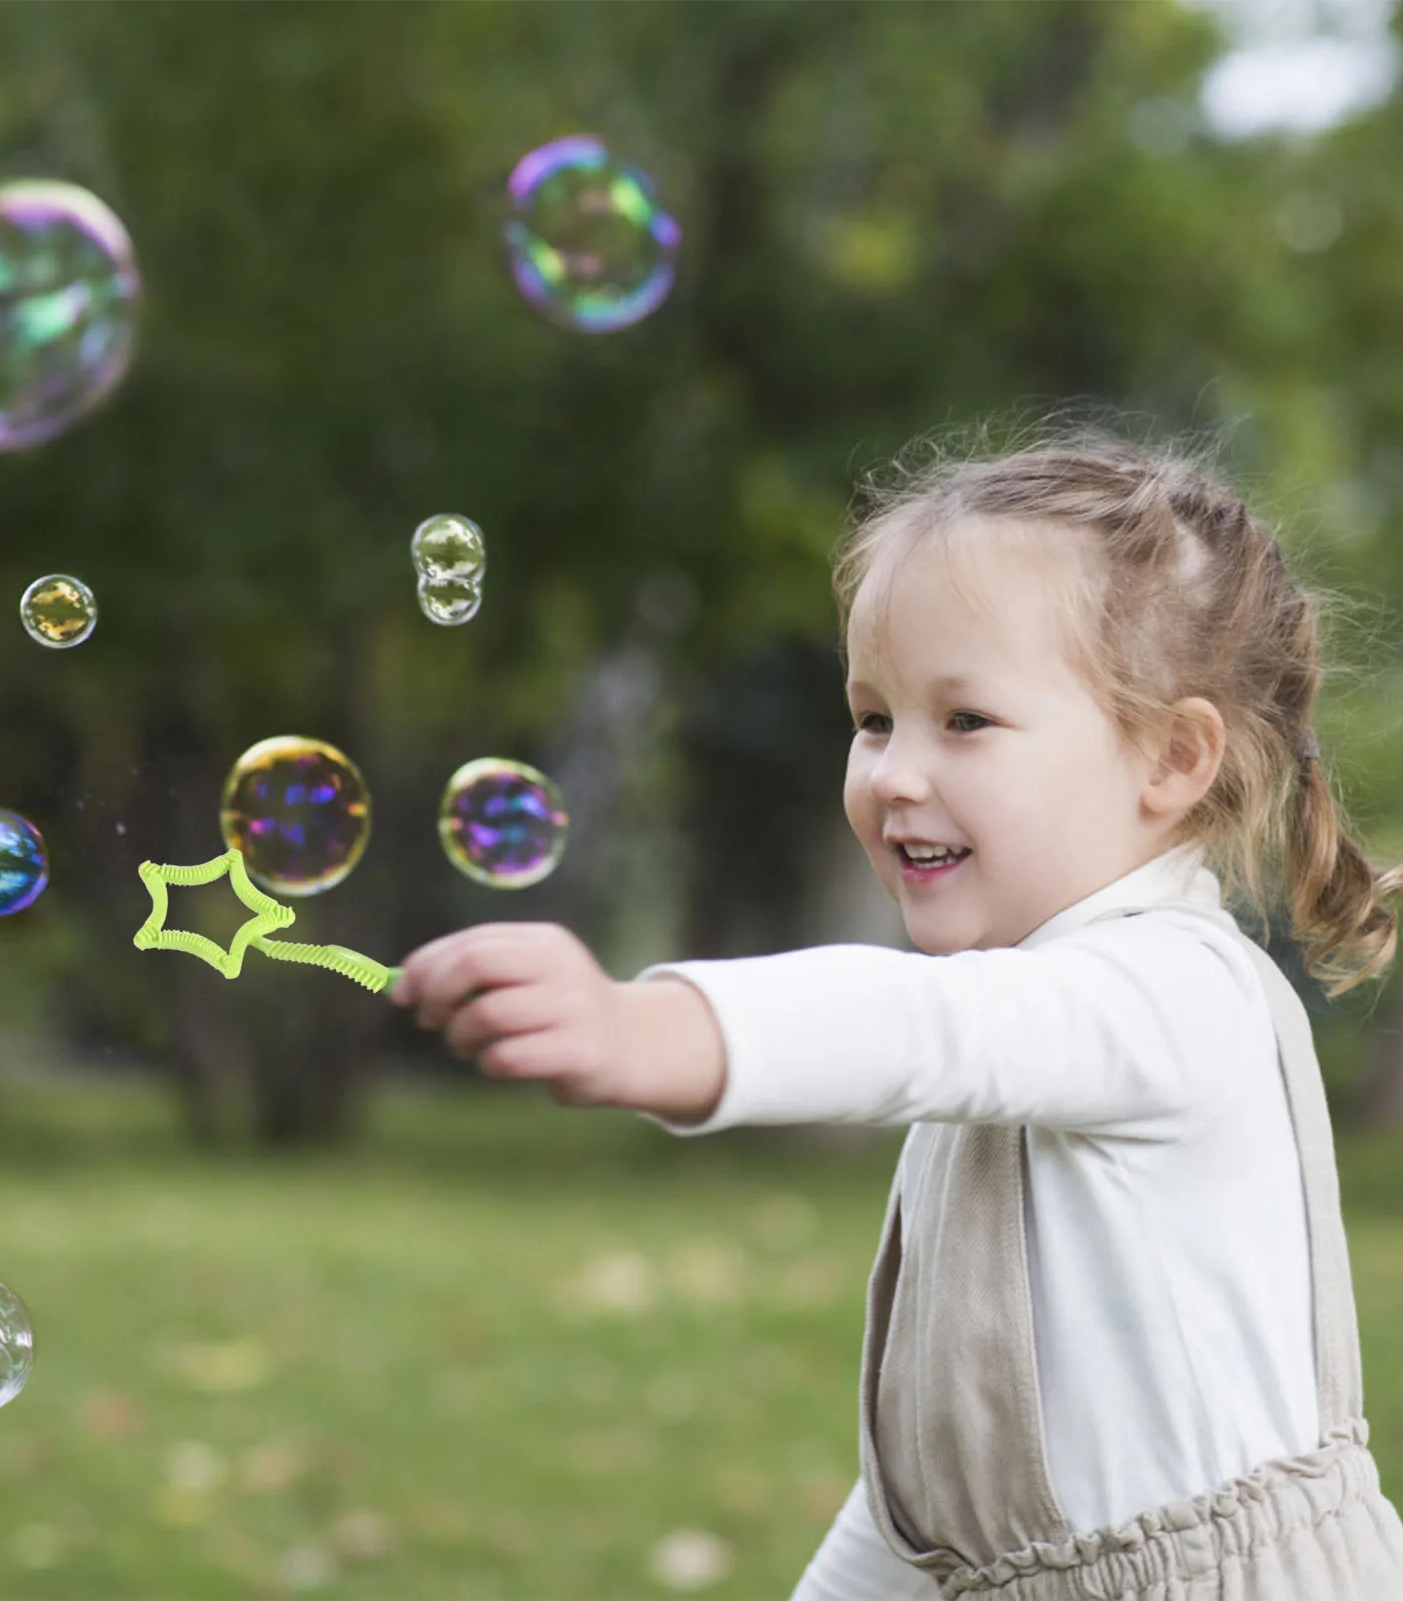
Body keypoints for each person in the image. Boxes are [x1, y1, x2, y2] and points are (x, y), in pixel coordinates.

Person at [387, 424, 1403, 1599]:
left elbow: (910, 1024)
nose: (891, 773)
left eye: (962, 721)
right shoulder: (1019, 1040)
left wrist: (644, 1030)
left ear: (1169, 757)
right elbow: (931, 1502)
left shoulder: (1175, 994)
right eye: (872, 718)